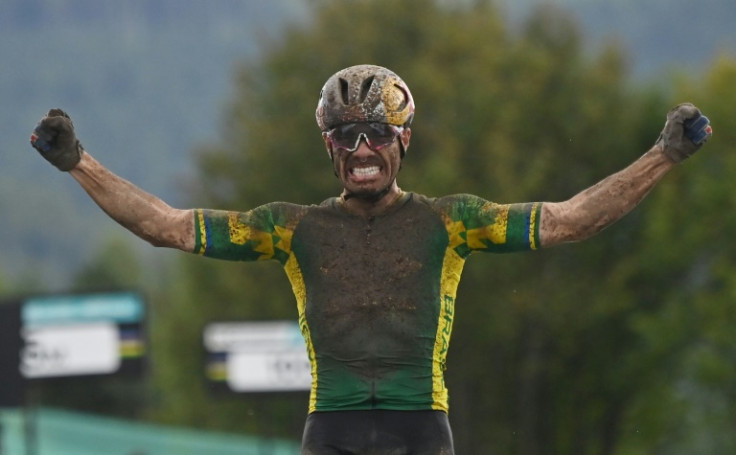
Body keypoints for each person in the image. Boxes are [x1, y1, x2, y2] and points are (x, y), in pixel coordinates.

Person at [30, 64, 712, 455]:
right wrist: (76, 162)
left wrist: (665, 154)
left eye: (377, 133)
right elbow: (170, 228)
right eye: (346, 134)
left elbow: (568, 222)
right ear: (329, 146)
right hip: (331, 428)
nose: (363, 148)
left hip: (424, 428)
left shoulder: (454, 220)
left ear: (403, 140)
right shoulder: (287, 229)